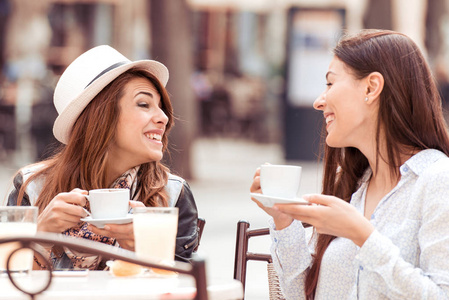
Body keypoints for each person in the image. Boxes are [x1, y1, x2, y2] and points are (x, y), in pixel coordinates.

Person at [250, 30, 449, 299]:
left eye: (331, 84)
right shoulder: (356, 184)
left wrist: (363, 236)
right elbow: (301, 294)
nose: (319, 101)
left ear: (371, 88)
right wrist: (283, 220)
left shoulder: (437, 179)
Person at [8, 45, 199, 270]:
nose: (164, 118)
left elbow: (185, 288)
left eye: (161, 107)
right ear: (101, 118)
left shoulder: (171, 195)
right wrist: (40, 234)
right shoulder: (33, 187)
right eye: (144, 104)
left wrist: (138, 250)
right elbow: (9, 281)